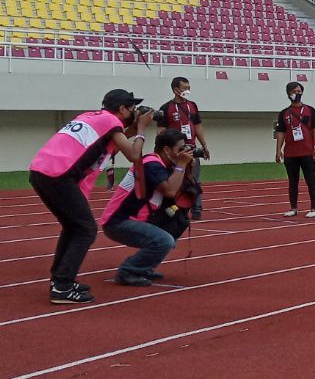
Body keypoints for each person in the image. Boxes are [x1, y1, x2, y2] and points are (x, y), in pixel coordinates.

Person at [28, 89, 155, 304]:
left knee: (73, 227)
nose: (134, 111)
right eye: (131, 108)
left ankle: (61, 280)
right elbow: (134, 155)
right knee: (85, 229)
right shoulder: (111, 122)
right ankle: (62, 286)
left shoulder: (90, 117)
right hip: (59, 175)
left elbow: (110, 145)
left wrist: (134, 128)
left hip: (42, 171)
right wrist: (142, 129)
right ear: (122, 108)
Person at [99, 130, 194, 286]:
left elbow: (182, 191)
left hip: (140, 218)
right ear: (166, 150)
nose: (183, 153)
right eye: (180, 149)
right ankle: (128, 271)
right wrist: (182, 165)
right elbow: (170, 190)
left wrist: (186, 168)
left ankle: (144, 267)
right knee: (165, 240)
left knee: (174, 227)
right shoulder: (150, 164)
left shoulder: (166, 165)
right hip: (118, 221)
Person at [156, 77, 209, 220]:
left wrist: (204, 145)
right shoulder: (166, 108)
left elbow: (197, 126)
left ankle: (196, 207)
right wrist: (162, 149)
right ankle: (174, 206)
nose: (187, 90)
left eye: (188, 87)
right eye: (184, 88)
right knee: (174, 179)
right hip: (174, 151)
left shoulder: (192, 106)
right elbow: (161, 130)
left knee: (194, 178)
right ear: (175, 90)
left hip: (191, 148)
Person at [274, 82, 315, 218]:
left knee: (310, 180)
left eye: (299, 91)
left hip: (307, 152)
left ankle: (314, 208)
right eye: (295, 91)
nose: (297, 93)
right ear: (289, 93)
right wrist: (278, 150)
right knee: (292, 181)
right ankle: (293, 208)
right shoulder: (284, 113)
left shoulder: (310, 110)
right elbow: (281, 132)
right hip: (291, 153)